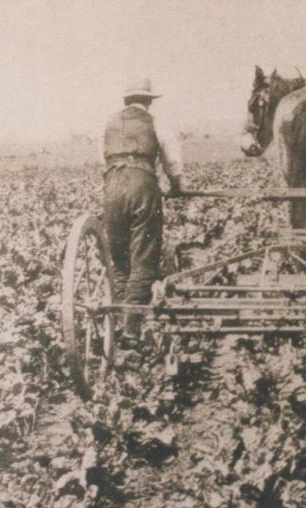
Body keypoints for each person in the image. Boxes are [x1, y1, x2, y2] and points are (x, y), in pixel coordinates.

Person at [101, 77, 184, 344]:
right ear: (149, 101)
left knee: (120, 258)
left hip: (112, 187)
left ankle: (119, 321)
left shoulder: (109, 123)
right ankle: (131, 329)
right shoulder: (155, 123)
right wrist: (175, 185)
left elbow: (101, 158)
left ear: (126, 100)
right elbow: (172, 160)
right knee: (143, 256)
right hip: (142, 186)